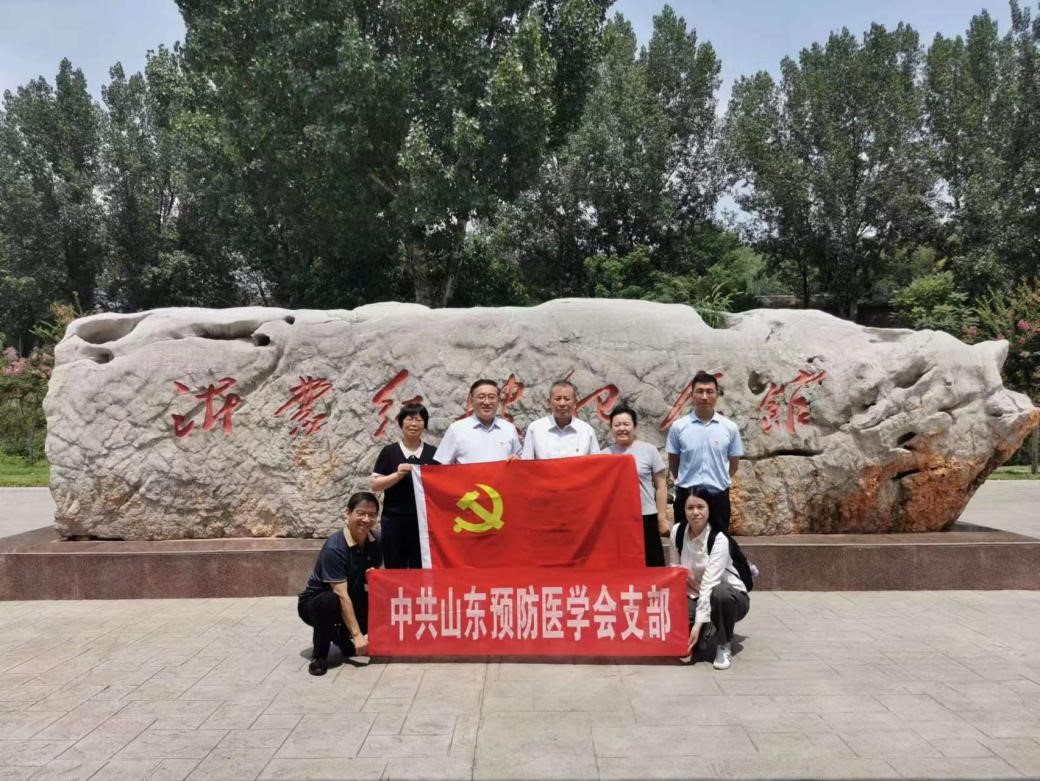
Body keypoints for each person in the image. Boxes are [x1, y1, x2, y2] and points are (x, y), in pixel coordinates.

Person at [297, 492, 383, 676]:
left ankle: (341, 639)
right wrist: (357, 635)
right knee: (330, 602)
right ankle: (320, 656)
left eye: (372, 515)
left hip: (352, 596)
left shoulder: (376, 540)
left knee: (379, 605)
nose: (366, 519)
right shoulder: (334, 548)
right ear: (348, 513)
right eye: (360, 513)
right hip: (316, 603)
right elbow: (341, 594)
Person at [671, 487, 749, 670]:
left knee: (719, 594)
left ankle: (723, 644)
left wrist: (697, 626)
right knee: (688, 641)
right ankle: (707, 630)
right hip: (694, 594)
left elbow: (709, 584)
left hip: (729, 597)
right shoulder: (677, 531)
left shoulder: (719, 539)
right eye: (690, 508)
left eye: (700, 507)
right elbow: (675, 572)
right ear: (684, 510)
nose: (695, 512)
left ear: (709, 509)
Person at [665, 371, 743, 533]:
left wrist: (721, 479)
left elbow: (734, 464)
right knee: (684, 541)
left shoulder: (729, 427)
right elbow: (673, 460)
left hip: (718, 496)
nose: (705, 397)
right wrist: (681, 479)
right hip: (687, 496)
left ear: (717, 395)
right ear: (692, 395)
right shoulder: (679, 427)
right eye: (700, 391)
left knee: (719, 542)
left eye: (709, 392)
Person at [370, 403, 438, 568]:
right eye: (409, 419)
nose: (414, 424)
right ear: (401, 423)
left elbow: (442, 484)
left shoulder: (433, 453)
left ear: (425, 424)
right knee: (395, 567)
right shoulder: (389, 452)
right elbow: (375, 485)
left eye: (419, 420)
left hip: (424, 524)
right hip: (394, 521)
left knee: (421, 568)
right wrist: (397, 475)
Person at [606, 404, 668, 566]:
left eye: (626, 424)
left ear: (634, 426)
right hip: (617, 519)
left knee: (652, 563)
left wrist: (662, 517)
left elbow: (661, 486)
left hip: (646, 515)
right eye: (617, 425)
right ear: (611, 428)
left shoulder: (649, 450)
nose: (622, 428)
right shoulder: (604, 455)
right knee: (622, 564)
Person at [434, 379, 522, 464]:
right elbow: (443, 466)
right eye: (481, 397)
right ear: (472, 400)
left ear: (498, 400)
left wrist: (517, 460)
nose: (487, 402)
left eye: (491, 397)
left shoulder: (509, 428)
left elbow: (520, 460)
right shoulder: (456, 429)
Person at [521, 380, 600, 460]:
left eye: (567, 399)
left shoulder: (587, 431)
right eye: (558, 399)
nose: (562, 403)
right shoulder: (535, 429)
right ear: (549, 402)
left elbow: (597, 463)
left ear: (575, 403)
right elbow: (526, 463)